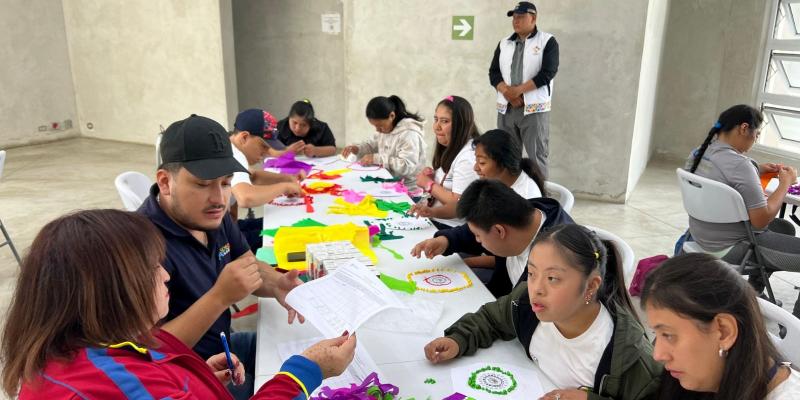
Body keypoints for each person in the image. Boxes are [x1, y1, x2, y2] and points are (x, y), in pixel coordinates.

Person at [0, 209, 356, 399]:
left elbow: (145, 360)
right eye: (153, 269)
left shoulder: (74, 348)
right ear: (110, 291)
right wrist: (305, 372)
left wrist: (194, 376)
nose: (166, 275)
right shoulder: (116, 384)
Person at [139, 114, 305, 399]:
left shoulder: (212, 215)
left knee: (305, 352)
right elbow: (148, 351)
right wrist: (219, 297)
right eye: (203, 184)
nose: (219, 198)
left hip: (224, 347)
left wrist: (277, 284)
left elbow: (247, 265)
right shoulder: (139, 245)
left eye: (226, 183)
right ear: (165, 182)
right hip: (185, 377)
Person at [425, 224, 662, 400]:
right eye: (531, 273)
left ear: (591, 285)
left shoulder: (630, 358)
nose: (536, 289)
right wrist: (458, 339)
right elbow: (491, 318)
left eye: (552, 278)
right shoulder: (525, 303)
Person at [685, 104, 800, 316]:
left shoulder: (699, 152)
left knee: (785, 228)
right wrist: (785, 183)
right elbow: (761, 220)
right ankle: (796, 325)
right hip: (733, 246)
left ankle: (754, 292)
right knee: (774, 226)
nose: (755, 139)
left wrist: (757, 169)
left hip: (702, 235)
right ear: (744, 128)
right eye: (757, 134)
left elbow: (724, 176)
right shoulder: (740, 165)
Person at [641, 253, 800, 400]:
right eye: (656, 333)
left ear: (724, 332)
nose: (658, 355)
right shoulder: (704, 381)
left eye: (668, 335)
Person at [411, 179, 573, 297]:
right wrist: (446, 241)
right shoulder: (519, 214)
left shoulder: (556, 263)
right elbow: (476, 229)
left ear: (499, 231)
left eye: (478, 236)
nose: (477, 239)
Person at [489, 1, 559, 178]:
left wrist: (518, 91)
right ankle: (509, 192)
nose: (516, 21)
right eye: (514, 17)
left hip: (534, 110)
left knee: (537, 156)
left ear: (533, 18)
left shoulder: (547, 41)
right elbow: (494, 73)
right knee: (506, 156)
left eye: (520, 17)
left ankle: (540, 193)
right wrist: (508, 93)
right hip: (507, 109)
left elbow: (548, 73)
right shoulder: (504, 43)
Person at [229, 108, 303, 250]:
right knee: (285, 237)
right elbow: (246, 198)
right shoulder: (234, 156)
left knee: (278, 225)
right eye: (263, 146)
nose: (264, 154)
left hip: (229, 227)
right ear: (244, 137)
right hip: (216, 241)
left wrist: (287, 179)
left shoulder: (232, 147)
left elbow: (254, 177)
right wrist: (284, 187)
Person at [411, 95, 480, 229]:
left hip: (452, 228)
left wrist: (429, 185)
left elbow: (459, 204)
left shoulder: (468, 157)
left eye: (444, 121)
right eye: (436, 119)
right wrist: (435, 177)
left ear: (461, 125)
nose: (436, 126)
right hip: (437, 220)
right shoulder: (453, 146)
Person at [341, 95, 427, 190]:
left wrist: (376, 159)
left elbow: (407, 166)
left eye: (380, 126)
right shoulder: (386, 129)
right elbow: (371, 145)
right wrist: (357, 148)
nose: (377, 130)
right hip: (389, 181)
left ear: (392, 116)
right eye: (375, 126)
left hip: (408, 188)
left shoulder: (409, 134)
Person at [474, 128, 545, 199]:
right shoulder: (495, 182)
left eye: (482, 162)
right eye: (476, 160)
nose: (475, 168)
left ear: (503, 163)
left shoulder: (526, 197)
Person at [272, 99, 337, 158]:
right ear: (289, 118)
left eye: (303, 125)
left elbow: (333, 149)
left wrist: (316, 150)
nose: (297, 128)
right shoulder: (280, 127)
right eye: (294, 122)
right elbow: (270, 150)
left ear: (311, 124)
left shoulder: (322, 128)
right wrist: (286, 151)